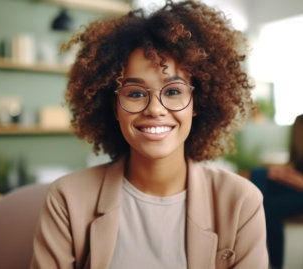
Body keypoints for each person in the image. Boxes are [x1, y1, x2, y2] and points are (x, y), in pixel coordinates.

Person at [30, 1, 268, 268]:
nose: (155, 109)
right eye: (134, 93)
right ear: (113, 107)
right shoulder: (67, 199)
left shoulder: (241, 202)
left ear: (197, 102)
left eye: (174, 91)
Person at [251, 114, 303, 269]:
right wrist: (282, 173)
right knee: (259, 173)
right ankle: (253, 212)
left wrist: (285, 176)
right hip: (296, 190)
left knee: (270, 208)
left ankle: (275, 263)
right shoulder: (299, 151)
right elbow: (295, 168)